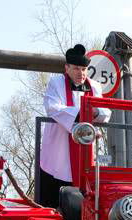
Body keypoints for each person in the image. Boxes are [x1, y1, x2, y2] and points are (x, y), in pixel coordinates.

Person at [38, 43, 110, 208]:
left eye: (84, 69)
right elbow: (53, 108)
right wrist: (83, 114)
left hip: (85, 154)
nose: (81, 73)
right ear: (67, 68)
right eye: (77, 69)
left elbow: (105, 111)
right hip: (58, 154)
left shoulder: (95, 86)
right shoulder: (56, 83)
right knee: (52, 204)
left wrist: (96, 114)